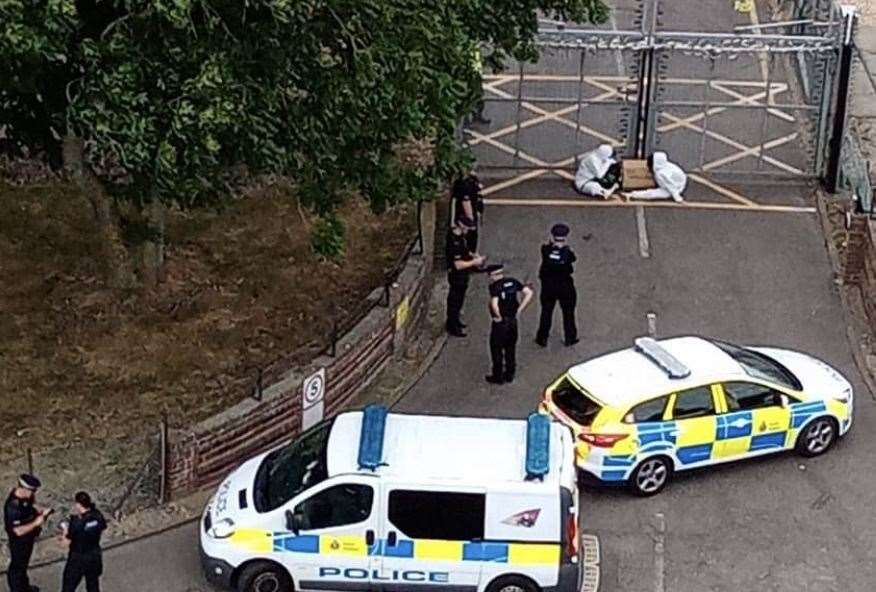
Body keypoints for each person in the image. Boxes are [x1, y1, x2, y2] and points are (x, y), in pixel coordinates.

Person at [484, 264, 534, 384]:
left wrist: (498, 316)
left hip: (501, 324)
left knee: (496, 349)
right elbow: (528, 293)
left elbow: (495, 304)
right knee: (510, 348)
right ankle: (510, 374)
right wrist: (519, 309)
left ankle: (498, 376)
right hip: (513, 321)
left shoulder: (494, 287)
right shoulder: (512, 281)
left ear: (492, 276)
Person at [4, 474, 50, 592]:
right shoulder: (13, 507)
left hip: (28, 538)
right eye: (32, 490)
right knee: (17, 567)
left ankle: (24, 587)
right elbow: (17, 531)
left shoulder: (27, 497)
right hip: (19, 542)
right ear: (23, 489)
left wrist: (39, 510)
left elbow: (31, 504)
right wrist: (36, 522)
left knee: (23, 566)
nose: (33, 493)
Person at [535, 224, 579, 347]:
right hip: (564, 286)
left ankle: (542, 338)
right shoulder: (567, 253)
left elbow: (546, 252)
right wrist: (563, 248)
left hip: (548, 287)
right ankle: (570, 337)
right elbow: (573, 259)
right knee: (568, 313)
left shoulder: (545, 250)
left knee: (546, 312)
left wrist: (552, 246)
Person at [59, 491, 107, 592]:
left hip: (78, 558)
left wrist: (65, 529)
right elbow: (102, 527)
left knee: (68, 586)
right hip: (94, 554)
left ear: (79, 504)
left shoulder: (77, 522)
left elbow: (65, 543)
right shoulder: (97, 515)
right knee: (93, 585)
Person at [445, 217, 485, 337]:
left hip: (463, 276)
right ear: (460, 225)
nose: (468, 230)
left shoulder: (461, 237)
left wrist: (473, 255)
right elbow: (457, 265)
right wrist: (474, 263)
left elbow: (465, 251)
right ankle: (452, 326)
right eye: (466, 227)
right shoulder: (453, 241)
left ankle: (456, 321)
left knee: (460, 300)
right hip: (456, 276)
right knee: (454, 301)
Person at [623, 151, 687, 202]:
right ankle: (633, 194)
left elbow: (670, 185)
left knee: (653, 193)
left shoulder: (661, 174)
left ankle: (634, 194)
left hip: (678, 186)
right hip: (678, 181)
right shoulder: (664, 166)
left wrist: (677, 197)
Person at [450, 173, 485, 253]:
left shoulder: (469, 181)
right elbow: (465, 201)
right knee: (469, 239)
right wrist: (471, 220)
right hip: (465, 218)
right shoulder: (465, 183)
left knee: (470, 238)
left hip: (469, 214)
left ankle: (472, 256)